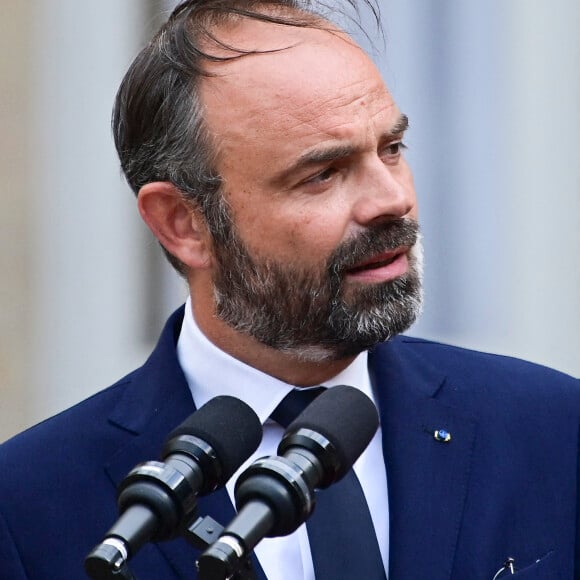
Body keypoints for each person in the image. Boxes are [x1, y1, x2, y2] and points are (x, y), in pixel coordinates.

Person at [0, 1, 578, 579]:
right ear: (183, 223)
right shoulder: (29, 501)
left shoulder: (550, 429)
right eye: (322, 173)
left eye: (391, 149)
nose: (391, 200)